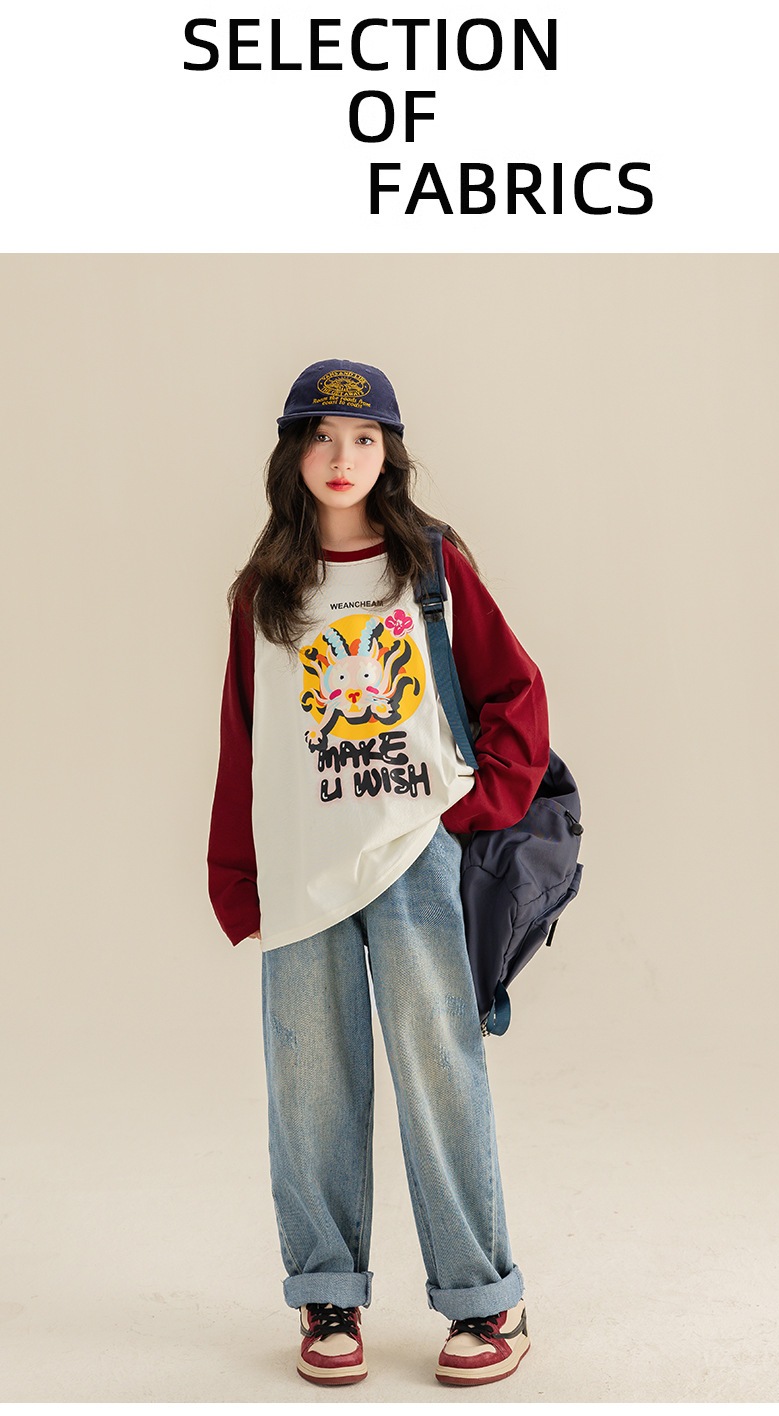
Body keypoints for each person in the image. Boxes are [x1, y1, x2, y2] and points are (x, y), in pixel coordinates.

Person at [207, 359, 550, 1388]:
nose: (341, 456)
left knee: (441, 1071)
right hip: (303, 867)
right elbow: (245, 740)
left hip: (414, 858)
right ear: (292, 454)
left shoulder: (431, 567)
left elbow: (514, 692)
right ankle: (327, 1292)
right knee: (309, 1084)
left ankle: (485, 1299)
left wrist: (473, 808)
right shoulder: (266, 591)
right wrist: (236, 872)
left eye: (362, 438)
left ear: (388, 454)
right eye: (320, 436)